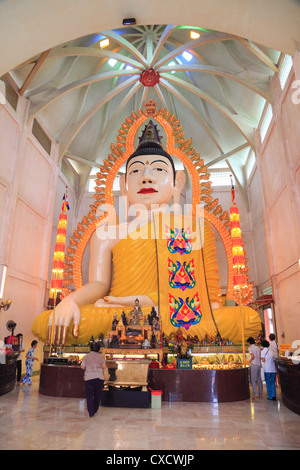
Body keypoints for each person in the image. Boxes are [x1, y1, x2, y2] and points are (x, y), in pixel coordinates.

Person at [32, 121, 261, 345]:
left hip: (176, 311)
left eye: (159, 169)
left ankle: (140, 314)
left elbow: (210, 299)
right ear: (124, 185)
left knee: (246, 319)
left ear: (176, 182)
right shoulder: (107, 234)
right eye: (136, 171)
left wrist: (207, 308)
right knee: (49, 322)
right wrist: (70, 301)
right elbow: (99, 285)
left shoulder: (195, 227)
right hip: (117, 312)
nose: (147, 177)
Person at [81, 342, 106, 417]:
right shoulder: (101, 356)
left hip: (89, 377)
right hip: (99, 377)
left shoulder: (86, 356)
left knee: (89, 395)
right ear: (98, 349)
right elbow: (104, 366)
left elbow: (82, 367)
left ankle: (91, 412)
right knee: (97, 394)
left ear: (91, 348)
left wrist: (88, 368)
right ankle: (95, 409)